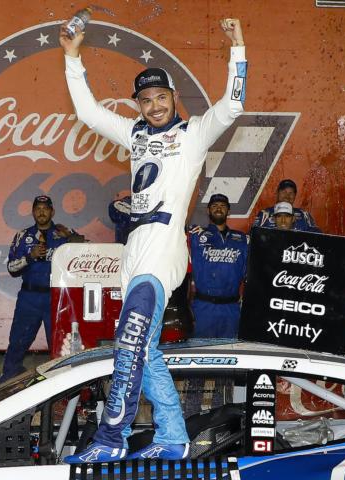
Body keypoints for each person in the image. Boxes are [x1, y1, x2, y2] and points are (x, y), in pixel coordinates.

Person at [60, 15, 246, 462]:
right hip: (134, 249)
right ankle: (173, 435)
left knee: (130, 340)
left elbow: (233, 106)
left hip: (163, 247)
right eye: (146, 99)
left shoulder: (193, 132)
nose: (154, 106)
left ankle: (110, 439)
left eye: (161, 97)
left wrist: (237, 48)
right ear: (138, 104)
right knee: (144, 348)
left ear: (173, 98)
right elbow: (86, 113)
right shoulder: (135, 133)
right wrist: (72, 58)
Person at [0, 195, 83, 383]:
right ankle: (6, 382)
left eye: (46, 208)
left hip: (56, 298)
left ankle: (62, 387)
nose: (42, 212)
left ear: (52, 211)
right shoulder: (23, 236)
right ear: (33, 212)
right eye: (38, 208)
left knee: (60, 345)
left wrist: (70, 237)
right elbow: (11, 268)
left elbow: (85, 251)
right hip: (29, 297)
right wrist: (30, 256)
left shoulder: (63, 233)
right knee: (18, 343)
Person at [188, 193, 248, 338]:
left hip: (231, 309)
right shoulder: (195, 234)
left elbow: (250, 274)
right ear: (208, 211)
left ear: (229, 211)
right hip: (203, 308)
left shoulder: (242, 239)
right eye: (214, 206)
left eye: (222, 206)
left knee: (229, 353)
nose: (218, 208)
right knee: (201, 354)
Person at [252, 179, 320, 232]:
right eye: (284, 192)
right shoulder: (264, 214)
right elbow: (253, 237)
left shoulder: (304, 215)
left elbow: (317, 236)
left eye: (291, 193)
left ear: (295, 196)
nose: (287, 196)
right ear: (277, 193)